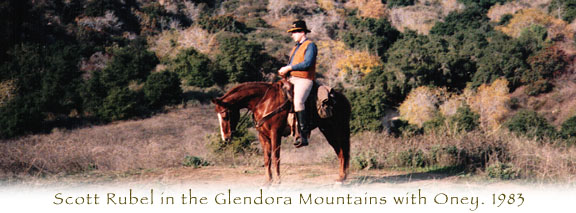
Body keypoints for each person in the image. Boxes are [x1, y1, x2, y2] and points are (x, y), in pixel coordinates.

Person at [278, 20, 317, 148]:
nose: (292, 35)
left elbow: (308, 63)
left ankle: (303, 135)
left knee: (298, 101)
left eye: (294, 32)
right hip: (292, 78)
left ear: (302, 32)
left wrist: (288, 68)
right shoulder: (296, 47)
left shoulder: (310, 45)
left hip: (304, 79)